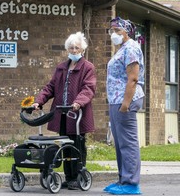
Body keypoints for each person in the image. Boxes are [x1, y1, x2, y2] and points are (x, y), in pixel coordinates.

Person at [32, 31, 96, 190]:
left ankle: (78, 176)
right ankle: (69, 177)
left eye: (77, 48)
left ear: (82, 49)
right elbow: (50, 87)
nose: (74, 50)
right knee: (64, 146)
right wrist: (39, 102)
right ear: (68, 49)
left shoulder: (87, 67)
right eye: (71, 48)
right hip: (62, 114)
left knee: (77, 145)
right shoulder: (61, 67)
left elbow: (88, 88)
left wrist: (78, 102)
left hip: (77, 113)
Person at [104, 17, 145, 195]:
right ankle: (123, 180)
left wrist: (125, 104)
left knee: (128, 142)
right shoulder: (122, 49)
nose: (114, 34)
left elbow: (133, 78)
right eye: (112, 30)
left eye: (117, 31)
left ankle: (131, 183)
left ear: (126, 32)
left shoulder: (132, 48)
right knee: (120, 142)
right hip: (117, 100)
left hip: (125, 101)